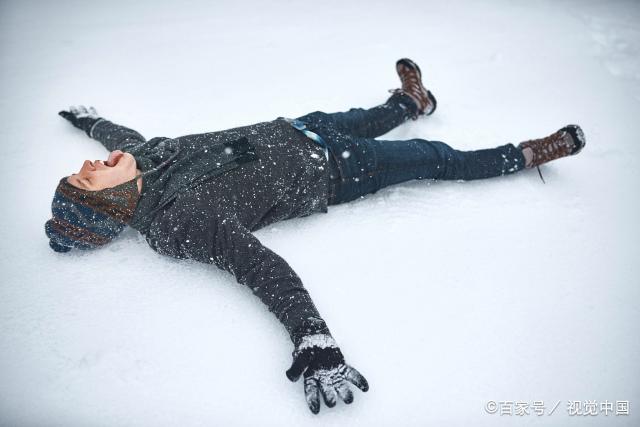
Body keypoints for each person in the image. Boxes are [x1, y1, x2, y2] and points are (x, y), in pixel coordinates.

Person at [45, 58, 585, 414]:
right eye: (87, 175)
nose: (92, 162)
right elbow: (260, 268)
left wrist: (92, 123)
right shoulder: (181, 224)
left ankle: (411, 104)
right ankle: (528, 153)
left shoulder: (146, 159)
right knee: (435, 159)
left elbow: (122, 136)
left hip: (300, 128)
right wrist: (312, 336)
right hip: (337, 171)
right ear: (108, 201)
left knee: (367, 116)